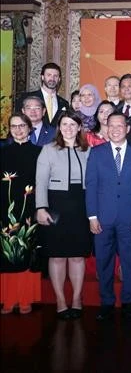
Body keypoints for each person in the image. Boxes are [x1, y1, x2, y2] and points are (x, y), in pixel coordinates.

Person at [85, 112, 131, 320]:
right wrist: (92, 216)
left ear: (127, 129)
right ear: (106, 128)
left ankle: (128, 302)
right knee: (103, 261)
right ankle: (106, 302)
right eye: (112, 126)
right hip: (102, 217)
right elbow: (91, 185)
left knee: (129, 261)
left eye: (120, 126)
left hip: (130, 216)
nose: (116, 129)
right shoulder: (97, 152)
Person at [35, 110, 90, 320]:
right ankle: (60, 300)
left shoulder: (88, 150)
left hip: (80, 206)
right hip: (55, 206)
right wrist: (41, 207)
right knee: (57, 256)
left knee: (77, 256)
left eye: (73, 125)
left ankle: (76, 299)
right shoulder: (48, 149)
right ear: (59, 127)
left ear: (79, 128)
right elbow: (40, 181)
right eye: (65, 124)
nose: (68, 128)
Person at [0, 114, 42, 314]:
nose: (18, 130)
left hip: (29, 210)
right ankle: (8, 300)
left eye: (22, 126)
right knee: (8, 255)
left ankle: (26, 298)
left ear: (29, 127)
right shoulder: (3, 152)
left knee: (26, 253)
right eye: (14, 126)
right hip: (5, 210)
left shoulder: (39, 152)